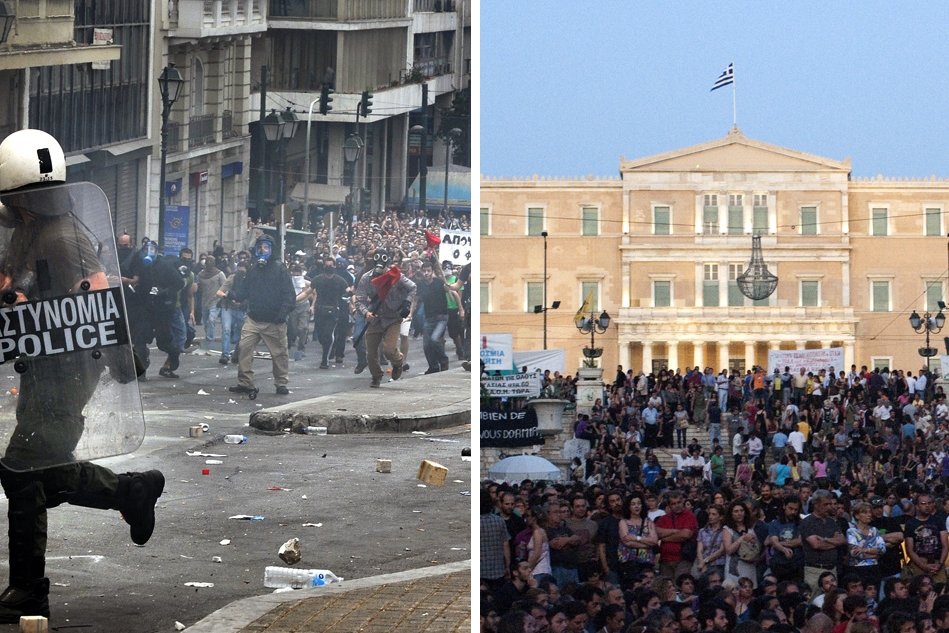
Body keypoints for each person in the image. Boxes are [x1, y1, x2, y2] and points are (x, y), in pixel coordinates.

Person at [0, 129, 164, 621]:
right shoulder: (31, 230)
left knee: (21, 470)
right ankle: (132, 492)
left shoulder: (64, 238)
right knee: (40, 472)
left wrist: (123, 360)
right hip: (41, 364)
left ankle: (30, 590)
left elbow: (97, 304)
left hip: (67, 372)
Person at [227, 234, 296, 396]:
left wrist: (283, 313)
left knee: (279, 354)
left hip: (274, 320)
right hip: (254, 318)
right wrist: (233, 295)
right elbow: (244, 292)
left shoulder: (280, 269)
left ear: (273, 250)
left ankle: (281, 382)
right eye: (260, 247)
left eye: (266, 247)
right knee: (244, 348)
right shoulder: (253, 269)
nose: (262, 250)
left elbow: (289, 295)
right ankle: (245, 382)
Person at [354, 249, 417, 388]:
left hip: (393, 318)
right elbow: (359, 299)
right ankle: (376, 376)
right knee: (370, 353)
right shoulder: (366, 278)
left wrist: (407, 303)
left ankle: (398, 362)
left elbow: (412, 287)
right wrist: (365, 313)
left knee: (389, 349)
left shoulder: (396, 276)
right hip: (374, 318)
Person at [801, 490, 846, 594]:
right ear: (816, 505)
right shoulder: (807, 522)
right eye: (825, 504)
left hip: (832, 570)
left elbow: (842, 540)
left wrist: (825, 539)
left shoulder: (832, 521)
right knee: (814, 601)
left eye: (830, 504)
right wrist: (834, 542)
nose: (829, 507)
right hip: (815, 570)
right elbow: (816, 545)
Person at [311, 257, 350, 369]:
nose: (329, 267)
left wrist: (352, 299)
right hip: (319, 311)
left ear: (334, 266)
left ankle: (325, 360)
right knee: (321, 335)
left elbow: (348, 291)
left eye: (331, 265)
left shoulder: (340, 280)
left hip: (333, 311)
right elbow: (309, 292)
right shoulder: (317, 279)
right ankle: (326, 350)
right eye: (327, 265)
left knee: (328, 334)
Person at [903, 492, 948, 584]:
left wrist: (939, 564)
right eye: (923, 504)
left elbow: (945, 545)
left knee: (941, 589)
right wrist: (923, 566)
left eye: (929, 503)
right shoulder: (910, 524)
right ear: (917, 506)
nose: (927, 506)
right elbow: (910, 550)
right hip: (919, 562)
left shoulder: (938, 520)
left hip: (937, 560)